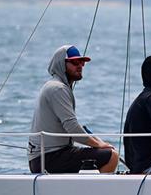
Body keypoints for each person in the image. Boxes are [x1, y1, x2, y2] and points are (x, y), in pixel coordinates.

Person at [28, 45, 119, 174]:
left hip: (47, 156)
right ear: (61, 64)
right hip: (48, 158)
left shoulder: (57, 86)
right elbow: (71, 127)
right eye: (75, 62)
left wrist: (99, 142)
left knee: (104, 152)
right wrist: (98, 145)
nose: (80, 66)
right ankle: (96, 193)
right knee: (111, 156)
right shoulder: (58, 89)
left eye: (82, 62)